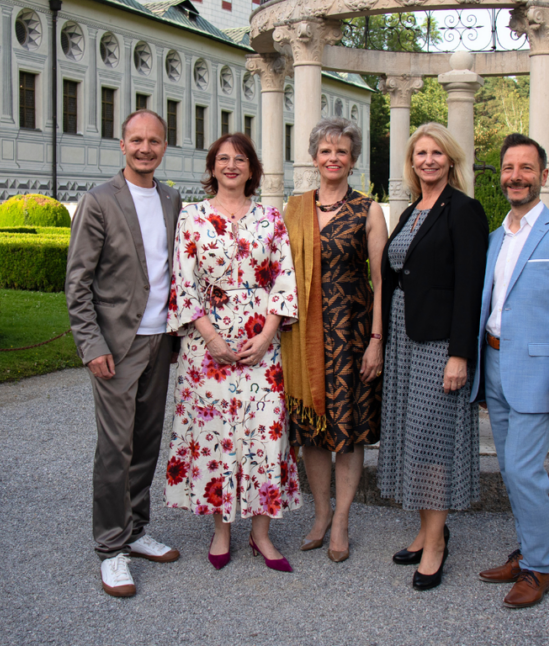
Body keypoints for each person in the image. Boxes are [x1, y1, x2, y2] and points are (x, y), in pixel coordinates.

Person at [163, 133, 301, 573]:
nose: (231, 165)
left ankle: (261, 533)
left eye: (240, 159)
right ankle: (222, 528)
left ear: (252, 168)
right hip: (207, 348)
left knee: (265, 434)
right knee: (215, 434)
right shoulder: (191, 217)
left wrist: (265, 337)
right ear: (212, 166)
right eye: (223, 159)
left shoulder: (271, 218)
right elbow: (183, 283)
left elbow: (284, 281)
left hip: (262, 344)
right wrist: (212, 339)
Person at [66, 109, 183, 598]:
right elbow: (78, 283)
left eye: (154, 141)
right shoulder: (98, 201)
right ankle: (110, 548)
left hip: (161, 341)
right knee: (115, 448)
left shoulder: (173, 199)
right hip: (116, 346)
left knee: (147, 442)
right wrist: (91, 345)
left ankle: (135, 530)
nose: (145, 148)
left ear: (163, 147)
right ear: (122, 144)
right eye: (137, 140)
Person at [470, 133, 549, 609]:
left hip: (538, 374)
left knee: (523, 471)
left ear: (543, 176)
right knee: (510, 468)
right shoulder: (496, 238)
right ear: (500, 175)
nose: (515, 176)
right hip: (495, 365)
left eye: (525, 168)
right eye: (508, 168)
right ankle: (525, 552)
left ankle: (539, 568)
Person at [377, 123, 488, 590]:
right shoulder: (409, 212)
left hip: (439, 343)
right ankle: (427, 530)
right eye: (420, 153)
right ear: (412, 161)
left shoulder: (464, 211)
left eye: (436, 153)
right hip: (405, 336)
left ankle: (438, 543)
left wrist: (460, 355)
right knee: (413, 436)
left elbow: (470, 289)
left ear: (451, 159)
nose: (428, 160)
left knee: (434, 439)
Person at [280, 118, 387, 563]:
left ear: (353, 160)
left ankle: (343, 518)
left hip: (351, 335)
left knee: (348, 431)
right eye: (326, 151)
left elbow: (381, 281)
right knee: (312, 431)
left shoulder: (368, 210)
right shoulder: (294, 208)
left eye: (341, 151)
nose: (333, 158)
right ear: (313, 156)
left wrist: (377, 340)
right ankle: (320, 513)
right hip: (303, 337)